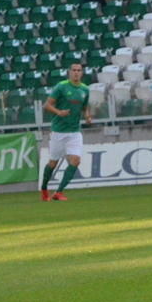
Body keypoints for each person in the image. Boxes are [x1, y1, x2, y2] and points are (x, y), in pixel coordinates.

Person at [40, 62, 91, 202]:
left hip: (74, 131)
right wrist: (59, 112)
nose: (76, 72)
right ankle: (44, 188)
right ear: (69, 72)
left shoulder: (85, 89)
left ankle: (58, 192)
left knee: (75, 161)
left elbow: (85, 107)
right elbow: (47, 105)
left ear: (81, 73)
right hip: (58, 131)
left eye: (78, 70)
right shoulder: (61, 86)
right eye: (73, 70)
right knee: (52, 164)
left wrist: (87, 116)